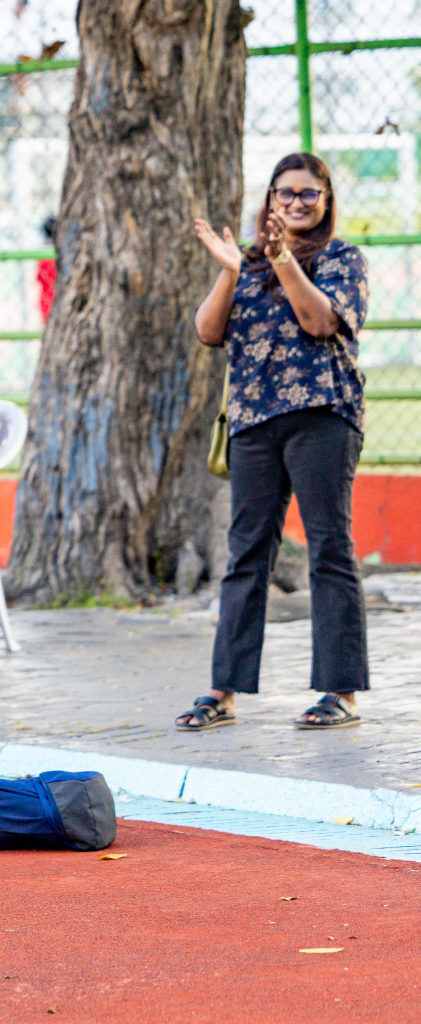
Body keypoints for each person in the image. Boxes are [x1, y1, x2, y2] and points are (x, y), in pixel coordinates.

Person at [181, 152, 369, 732]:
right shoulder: (249, 264)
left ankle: (340, 692)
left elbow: (318, 322)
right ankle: (223, 690)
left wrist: (283, 257)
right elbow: (209, 331)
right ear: (269, 199)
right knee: (245, 556)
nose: (293, 203)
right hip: (253, 422)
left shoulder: (342, 259)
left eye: (307, 194)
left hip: (322, 417)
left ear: (326, 201)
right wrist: (233, 268)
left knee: (328, 548)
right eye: (283, 193)